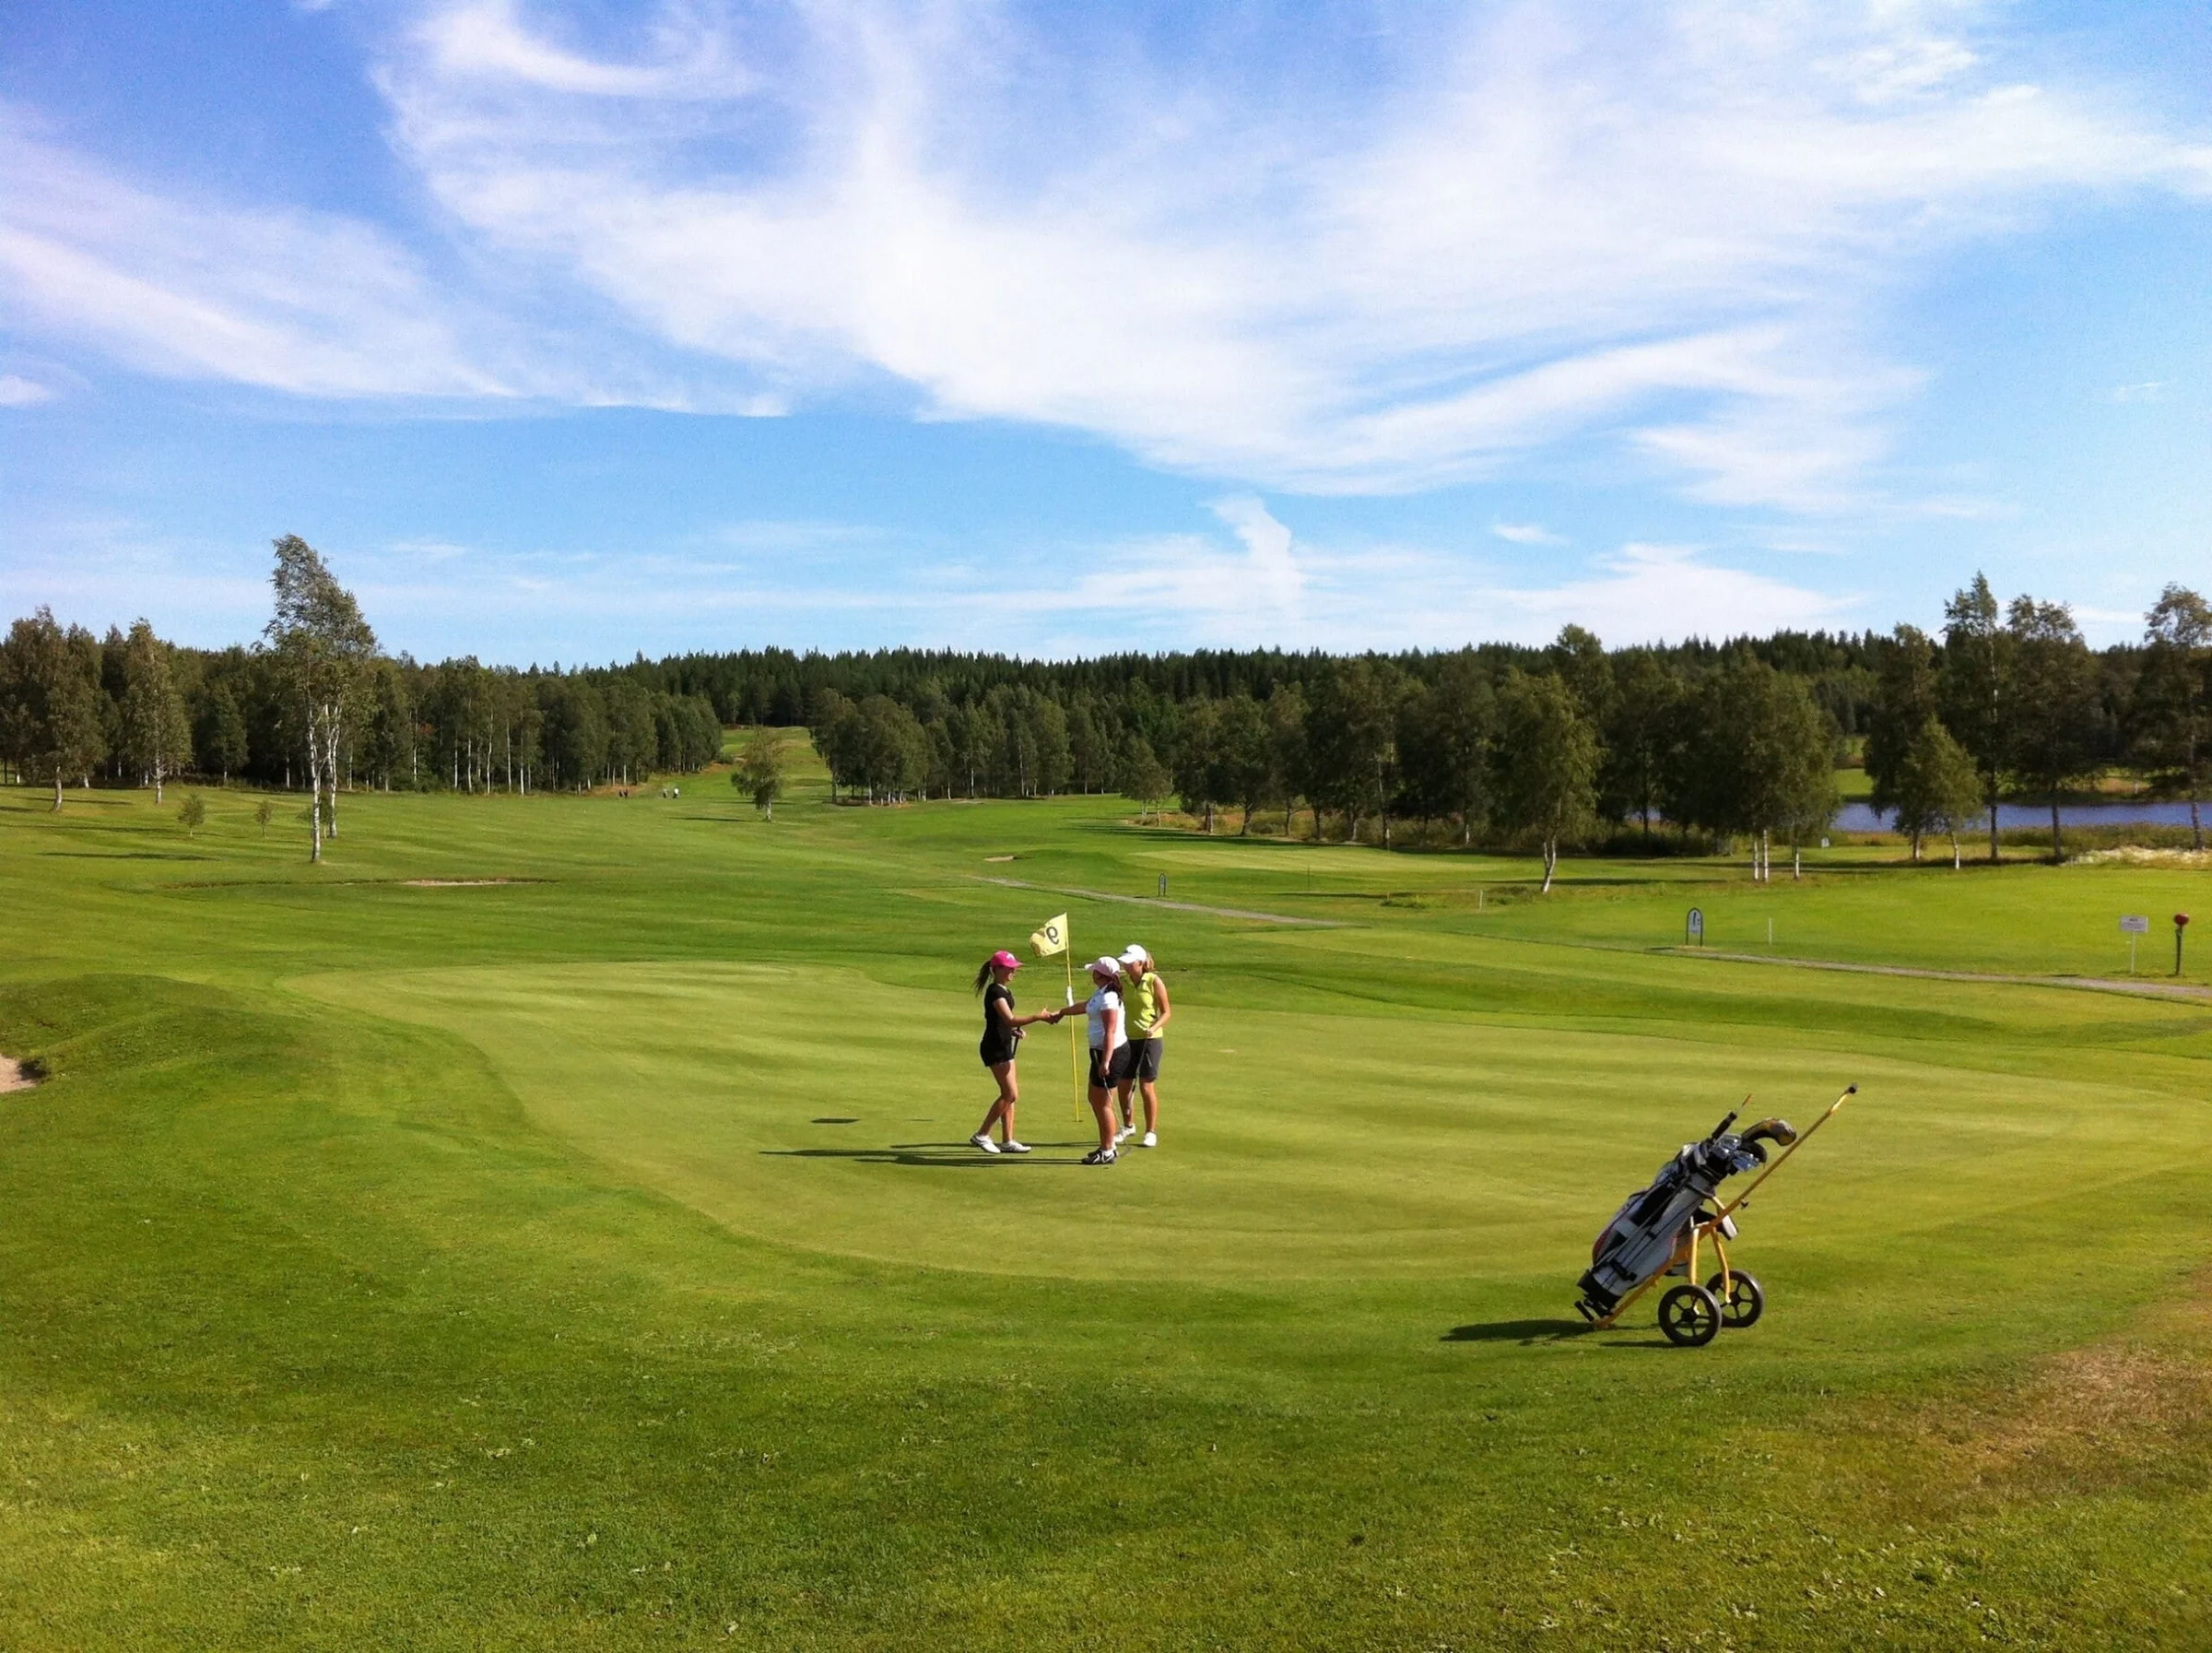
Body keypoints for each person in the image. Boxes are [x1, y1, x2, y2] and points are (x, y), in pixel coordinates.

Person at [970, 950, 1053, 1154]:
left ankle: (1007, 1140)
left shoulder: (1004, 991)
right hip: (994, 1047)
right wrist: (1038, 1017)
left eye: (1014, 968)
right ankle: (981, 1135)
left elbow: (1004, 1023)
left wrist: (1014, 1031)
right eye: (1009, 969)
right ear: (997, 970)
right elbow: (1008, 1019)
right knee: (1010, 1094)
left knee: (1011, 1095)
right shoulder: (995, 992)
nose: (1013, 972)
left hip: (1004, 1044)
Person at [1050, 957, 1126, 1165]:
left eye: (1095, 971)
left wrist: (1106, 1062)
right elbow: (1086, 1006)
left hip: (1111, 1054)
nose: (1092, 974)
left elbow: (1110, 1031)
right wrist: (1063, 1012)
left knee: (1102, 1104)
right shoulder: (1102, 993)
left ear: (1101, 974)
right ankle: (1107, 1145)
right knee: (1096, 1099)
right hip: (1101, 1053)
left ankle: (1108, 1149)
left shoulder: (1109, 998)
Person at [1112, 943, 1171, 1148]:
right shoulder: (1122, 982)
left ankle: (1150, 1132)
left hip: (1151, 1039)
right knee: (1124, 1085)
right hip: (1127, 1039)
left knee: (1146, 1086)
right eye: (1125, 963)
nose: (1126, 966)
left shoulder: (1154, 981)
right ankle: (1128, 1126)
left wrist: (1153, 1028)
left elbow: (1166, 1012)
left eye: (1130, 963)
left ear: (1141, 962)